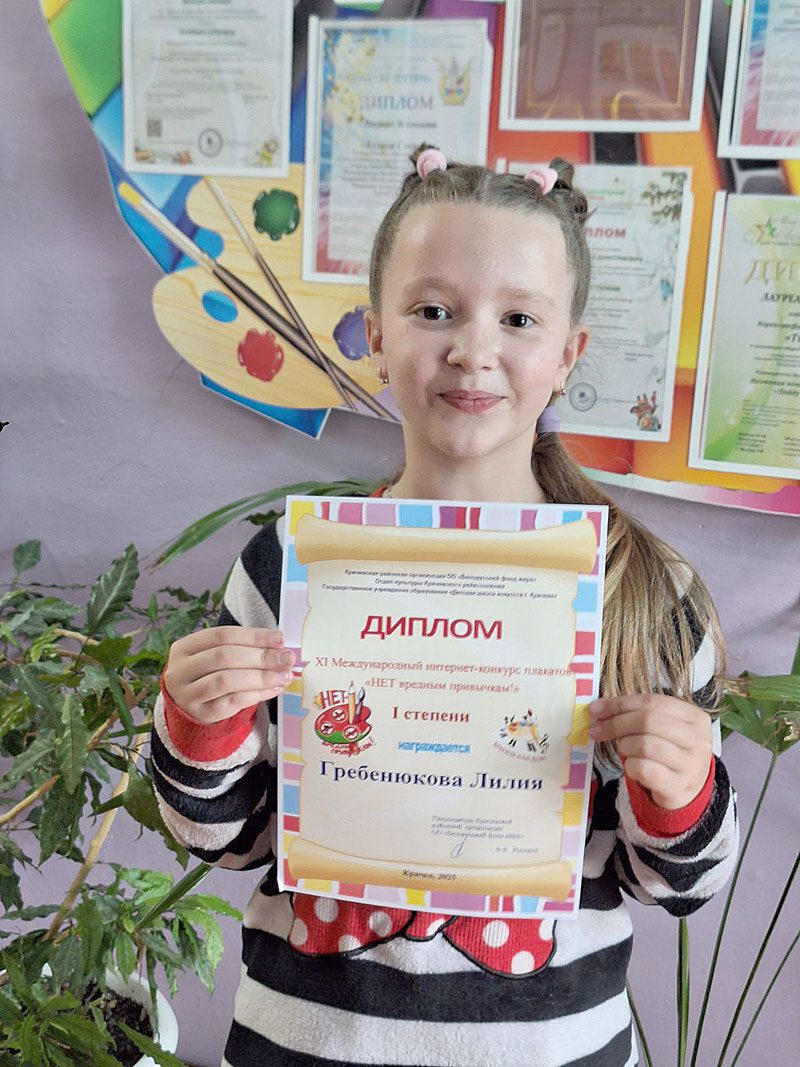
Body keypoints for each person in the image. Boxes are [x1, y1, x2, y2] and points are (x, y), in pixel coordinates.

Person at [153, 147, 738, 1067]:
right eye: (433, 311)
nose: (472, 349)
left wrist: (682, 792)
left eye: (519, 318)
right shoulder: (290, 566)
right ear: (375, 336)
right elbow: (228, 839)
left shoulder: (645, 595)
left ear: (567, 354)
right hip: (305, 1045)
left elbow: (679, 883)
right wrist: (198, 727)